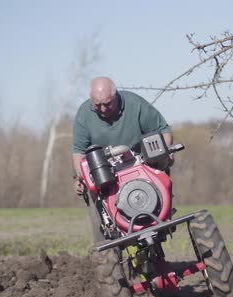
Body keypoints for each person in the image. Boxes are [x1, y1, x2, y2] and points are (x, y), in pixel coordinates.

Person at [71, 76, 173, 242]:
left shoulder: (135, 105)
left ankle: (160, 213)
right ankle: (108, 232)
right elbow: (79, 152)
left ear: (115, 95)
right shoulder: (84, 114)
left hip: (140, 165)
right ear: (91, 99)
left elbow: (164, 131)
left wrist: (166, 151)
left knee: (160, 166)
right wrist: (80, 177)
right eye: (97, 105)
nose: (103, 109)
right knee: (93, 190)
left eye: (107, 104)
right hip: (105, 171)